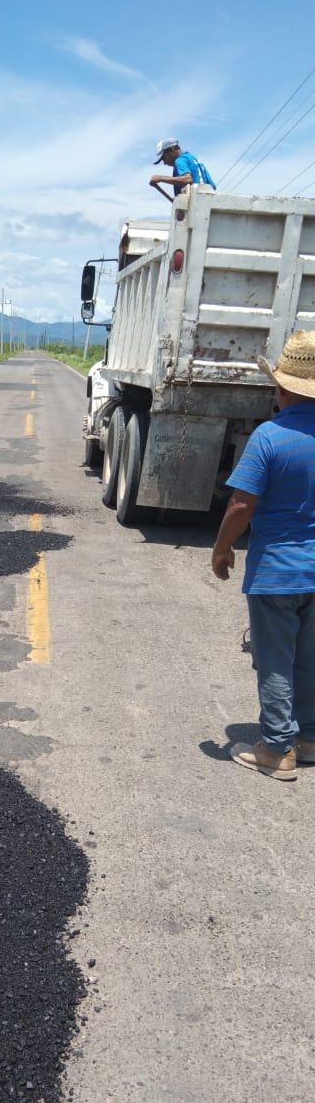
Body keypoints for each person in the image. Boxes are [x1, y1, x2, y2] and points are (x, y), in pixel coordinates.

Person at [211, 330, 315, 781]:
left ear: (282, 386)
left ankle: (276, 748)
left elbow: (241, 504)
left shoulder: (269, 437)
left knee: (275, 659)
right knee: (309, 659)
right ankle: (308, 738)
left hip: (277, 573)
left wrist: (222, 547)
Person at [150, 138, 216, 197]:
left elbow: (188, 179)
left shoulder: (179, 161)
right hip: (206, 200)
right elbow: (212, 186)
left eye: (164, 158)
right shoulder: (194, 160)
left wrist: (160, 178)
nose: (164, 162)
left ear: (172, 150)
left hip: (195, 201)